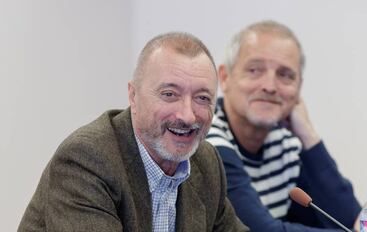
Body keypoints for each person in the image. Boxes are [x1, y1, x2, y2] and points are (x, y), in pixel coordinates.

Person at [18, 32, 248, 232]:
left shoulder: (205, 161)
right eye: (169, 94)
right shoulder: (86, 160)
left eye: (202, 98)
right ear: (133, 97)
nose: (187, 115)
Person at [206, 20, 361, 231]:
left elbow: (348, 221)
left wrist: (309, 137)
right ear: (224, 78)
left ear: (298, 89)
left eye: (285, 75)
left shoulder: (285, 144)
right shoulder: (208, 138)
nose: (270, 86)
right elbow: (258, 229)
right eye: (254, 70)